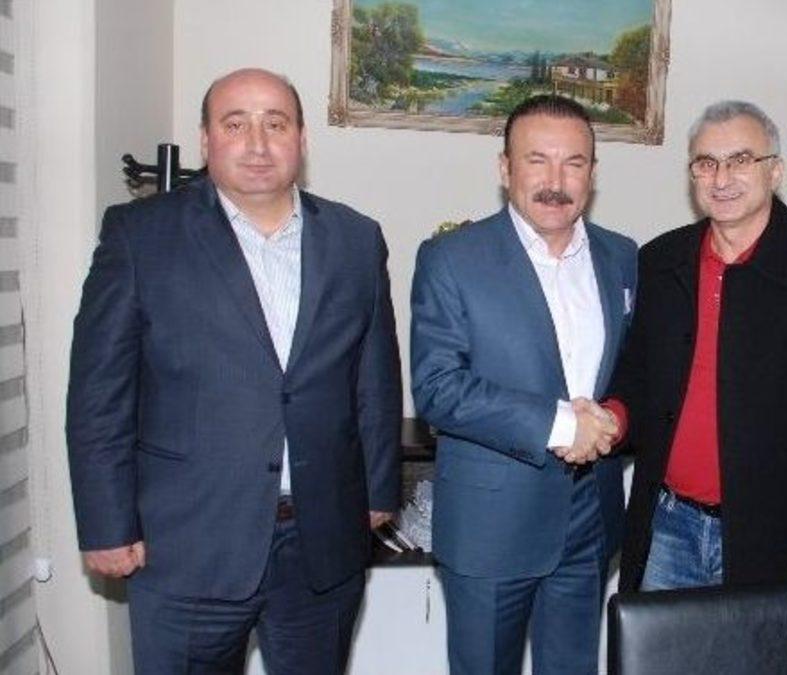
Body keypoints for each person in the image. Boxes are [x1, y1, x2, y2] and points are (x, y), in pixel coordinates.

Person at [66, 68, 402, 673]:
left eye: (276, 124)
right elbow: (99, 396)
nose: (257, 143)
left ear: (301, 138)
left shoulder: (356, 239)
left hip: (321, 541)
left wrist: (378, 492)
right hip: (187, 544)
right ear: (205, 139)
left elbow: (374, 379)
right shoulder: (140, 235)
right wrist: (105, 524)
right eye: (235, 124)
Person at [605, 100, 787, 592]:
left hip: (778, 542)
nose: (722, 179)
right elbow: (638, 375)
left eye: (740, 160)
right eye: (706, 163)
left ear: (775, 171)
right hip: (668, 528)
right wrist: (612, 416)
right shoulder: (660, 261)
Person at [410, 94, 636, 674]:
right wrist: (561, 424)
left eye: (573, 163)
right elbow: (437, 387)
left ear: (593, 173)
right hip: (491, 526)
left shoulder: (622, 257)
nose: (555, 181)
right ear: (505, 167)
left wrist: (612, 418)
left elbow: (634, 370)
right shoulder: (451, 258)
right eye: (537, 160)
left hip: (590, 520)